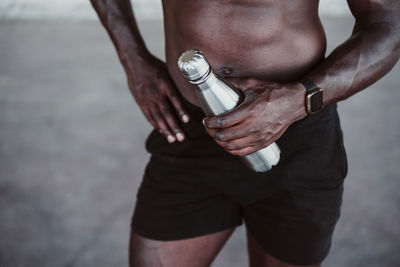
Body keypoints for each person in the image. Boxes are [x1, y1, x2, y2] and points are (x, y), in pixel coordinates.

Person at [90, 0, 400, 266]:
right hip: (188, 129)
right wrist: (134, 59)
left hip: (293, 135)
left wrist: (299, 99)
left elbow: (388, 24)